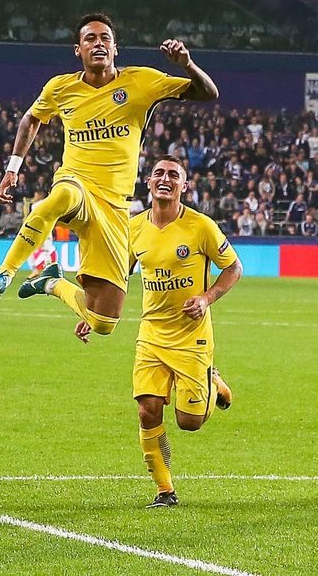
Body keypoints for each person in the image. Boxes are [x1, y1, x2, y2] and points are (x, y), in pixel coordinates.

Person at [0, 13, 218, 342]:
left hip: (115, 207)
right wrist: (12, 170)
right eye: (90, 39)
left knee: (105, 321)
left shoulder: (141, 82)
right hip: (76, 183)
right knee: (61, 196)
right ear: (78, 50)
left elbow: (208, 93)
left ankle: (50, 281)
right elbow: (30, 120)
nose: (98, 43)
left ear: (115, 48)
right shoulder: (60, 87)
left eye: (105, 38)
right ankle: (4, 274)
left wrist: (187, 63)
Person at [75, 157, 242, 508]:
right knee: (147, 411)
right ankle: (165, 491)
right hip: (151, 333)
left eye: (174, 175)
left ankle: (213, 382)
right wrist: (93, 316)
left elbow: (234, 268)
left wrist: (207, 297)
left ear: (185, 186)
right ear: (148, 183)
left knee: (190, 422)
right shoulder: (132, 229)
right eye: (159, 174)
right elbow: (118, 280)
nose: (165, 179)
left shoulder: (201, 227)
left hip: (191, 335)